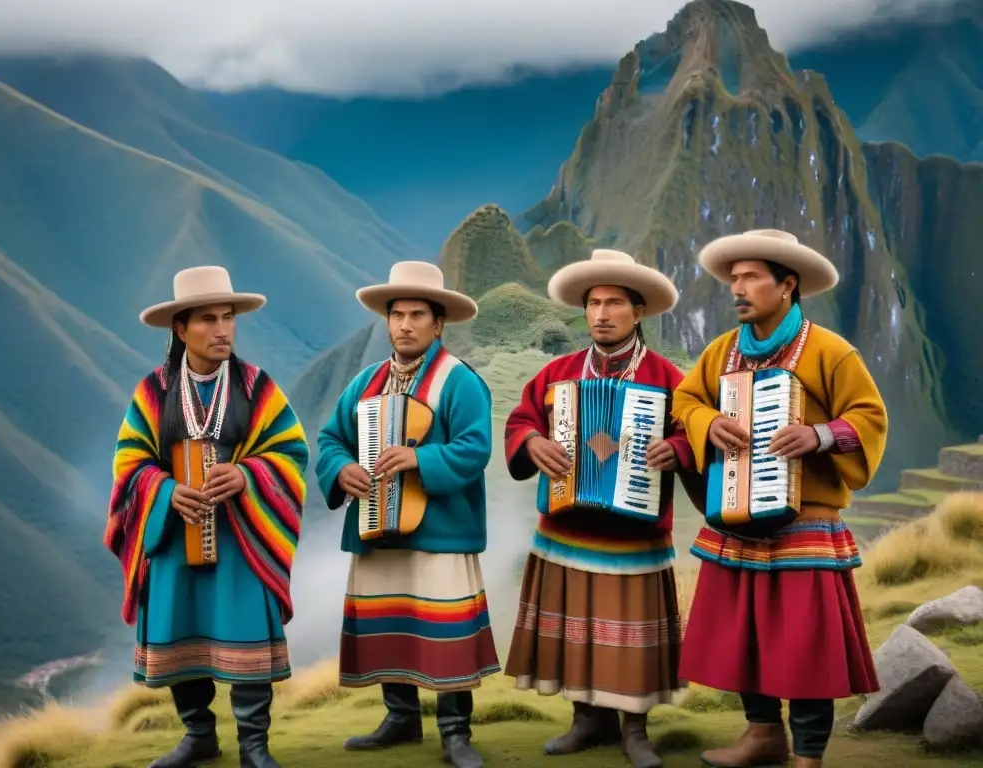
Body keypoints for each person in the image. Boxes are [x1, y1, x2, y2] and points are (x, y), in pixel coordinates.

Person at [672, 229, 888, 768]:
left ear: (787, 285)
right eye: (734, 278)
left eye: (750, 278)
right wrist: (708, 420)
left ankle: (808, 753)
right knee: (744, 632)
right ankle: (763, 735)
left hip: (806, 520)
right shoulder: (722, 351)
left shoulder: (830, 351)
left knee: (804, 641)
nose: (737, 289)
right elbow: (686, 399)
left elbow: (868, 416)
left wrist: (817, 436)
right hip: (736, 512)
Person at [104, 266, 309, 768]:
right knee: (180, 627)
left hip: (241, 534)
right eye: (208, 320)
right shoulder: (153, 392)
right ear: (180, 328)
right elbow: (131, 464)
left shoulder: (257, 387)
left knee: (244, 629)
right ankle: (199, 735)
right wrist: (165, 490)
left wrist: (247, 476)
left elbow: (290, 452)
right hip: (175, 533)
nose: (222, 330)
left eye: (228, 318)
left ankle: (254, 746)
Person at [503, 249, 699, 768]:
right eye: (593, 303)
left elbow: (692, 433)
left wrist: (676, 450)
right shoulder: (556, 374)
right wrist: (530, 445)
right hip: (567, 526)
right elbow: (521, 421)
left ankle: (635, 728)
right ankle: (586, 720)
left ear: (639, 313)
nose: (601, 314)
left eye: (614, 302)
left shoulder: (668, 379)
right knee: (578, 628)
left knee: (629, 633)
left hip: (635, 533)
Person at [315, 261, 500, 768]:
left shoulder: (459, 382)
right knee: (390, 626)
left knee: (445, 632)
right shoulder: (364, 383)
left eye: (418, 314)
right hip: (377, 526)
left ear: (438, 323)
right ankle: (400, 717)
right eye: (397, 314)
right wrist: (341, 469)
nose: (405, 324)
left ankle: (455, 730)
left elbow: (475, 448)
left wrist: (420, 459)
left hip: (440, 530)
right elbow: (330, 439)